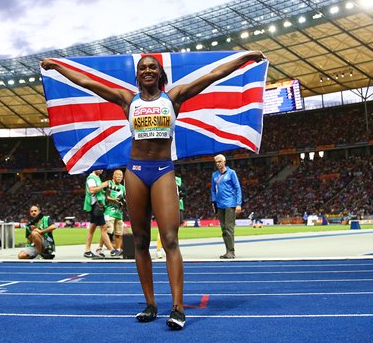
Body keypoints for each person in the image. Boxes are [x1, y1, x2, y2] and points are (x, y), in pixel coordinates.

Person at [41, 50, 266, 330]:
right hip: (136, 170)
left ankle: (178, 307)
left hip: (162, 171)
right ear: (137, 75)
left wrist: (245, 58)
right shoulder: (127, 100)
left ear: (159, 74)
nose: (147, 70)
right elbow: (87, 83)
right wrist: (57, 67)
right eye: (143, 67)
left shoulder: (173, 98)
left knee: (170, 239)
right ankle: (150, 304)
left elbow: (213, 75)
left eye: (152, 67)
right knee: (140, 241)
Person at [83, 169, 122, 258]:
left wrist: (105, 192)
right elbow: (92, 190)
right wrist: (103, 185)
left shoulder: (97, 177)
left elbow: (98, 192)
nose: (102, 170)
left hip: (97, 206)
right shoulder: (91, 178)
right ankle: (112, 251)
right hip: (96, 206)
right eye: (100, 168)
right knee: (104, 227)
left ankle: (87, 250)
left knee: (92, 229)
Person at [211, 154, 242, 259]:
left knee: (229, 228)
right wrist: (213, 202)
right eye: (216, 162)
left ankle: (231, 251)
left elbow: (237, 188)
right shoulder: (214, 175)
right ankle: (227, 250)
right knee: (223, 229)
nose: (218, 164)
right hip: (220, 205)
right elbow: (212, 190)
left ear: (224, 162)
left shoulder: (231, 173)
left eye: (219, 161)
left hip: (230, 204)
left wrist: (238, 204)